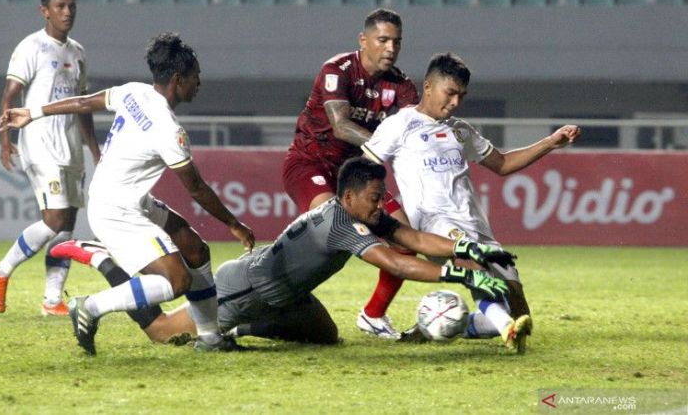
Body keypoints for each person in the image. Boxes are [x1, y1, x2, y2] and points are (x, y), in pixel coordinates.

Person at [49, 158, 525, 350]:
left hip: (289, 293)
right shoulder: (340, 224)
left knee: (324, 336)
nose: (383, 205)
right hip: (248, 285)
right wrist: (460, 278)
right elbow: (397, 261)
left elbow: (414, 239)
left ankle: (240, 330)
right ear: (350, 195)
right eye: (376, 197)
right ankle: (100, 258)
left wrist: (471, 252)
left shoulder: (360, 212)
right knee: (160, 332)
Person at [0, 32, 255, 355]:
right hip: (116, 210)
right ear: (178, 80)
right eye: (195, 77)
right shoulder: (168, 129)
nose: (199, 83)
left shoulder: (134, 92)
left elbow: (82, 102)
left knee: (195, 249)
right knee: (176, 281)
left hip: (126, 198)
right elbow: (197, 188)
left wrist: (33, 112)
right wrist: (234, 224)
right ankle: (90, 306)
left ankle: (210, 338)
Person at [360, 52, 581, 351]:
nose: (455, 103)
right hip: (436, 224)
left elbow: (502, 164)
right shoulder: (400, 125)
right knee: (475, 269)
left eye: (461, 96)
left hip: (475, 223)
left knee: (516, 301)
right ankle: (506, 330)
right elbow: (364, 169)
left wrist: (551, 142)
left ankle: (443, 325)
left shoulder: (461, 130)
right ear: (428, 87)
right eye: (449, 93)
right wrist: (382, 213)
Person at [282, 8, 420, 338]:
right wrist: (387, 143)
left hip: (357, 177)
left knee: (405, 236)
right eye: (383, 40)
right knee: (334, 227)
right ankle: (273, 292)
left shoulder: (401, 87)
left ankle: (373, 315)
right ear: (364, 40)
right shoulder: (337, 70)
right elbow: (341, 126)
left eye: (396, 42)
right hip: (309, 165)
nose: (390, 48)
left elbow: (413, 132)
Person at [0, 0, 101, 316]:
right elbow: (9, 96)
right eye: (60, 6)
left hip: (71, 148)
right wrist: (5, 139)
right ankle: (1, 270)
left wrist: (94, 149)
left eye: (71, 6)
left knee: (66, 224)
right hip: (39, 144)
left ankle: (52, 300)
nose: (67, 12)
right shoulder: (31, 47)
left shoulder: (78, 52)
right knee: (52, 220)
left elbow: (81, 106)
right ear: (45, 11)